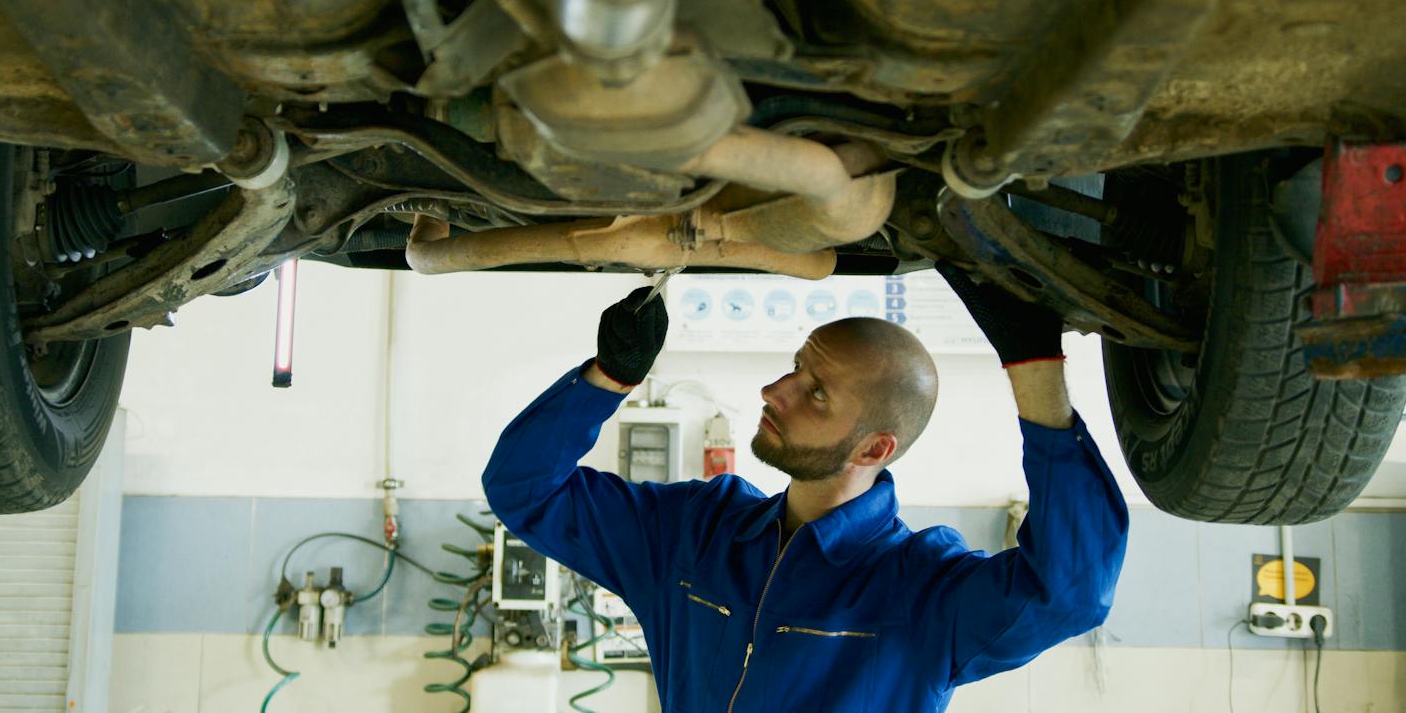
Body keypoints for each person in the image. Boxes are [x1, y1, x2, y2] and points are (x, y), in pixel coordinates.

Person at [482, 264, 1129, 712]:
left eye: (814, 391)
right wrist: (607, 378)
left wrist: (1035, 372)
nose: (773, 391)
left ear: (875, 448)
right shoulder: (693, 533)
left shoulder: (921, 591)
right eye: (795, 369)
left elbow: (1069, 592)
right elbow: (523, 489)